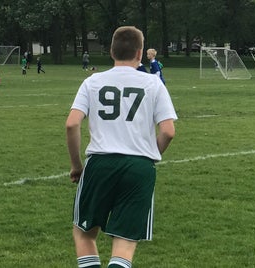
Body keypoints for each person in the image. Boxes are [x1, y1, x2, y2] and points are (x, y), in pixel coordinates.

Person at [65, 26, 177, 268]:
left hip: (100, 163)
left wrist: (76, 166)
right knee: (124, 242)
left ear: (111, 51)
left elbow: (72, 124)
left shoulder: (93, 81)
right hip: (139, 167)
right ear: (139, 53)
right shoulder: (154, 84)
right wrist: (150, 156)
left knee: (84, 233)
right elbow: (168, 131)